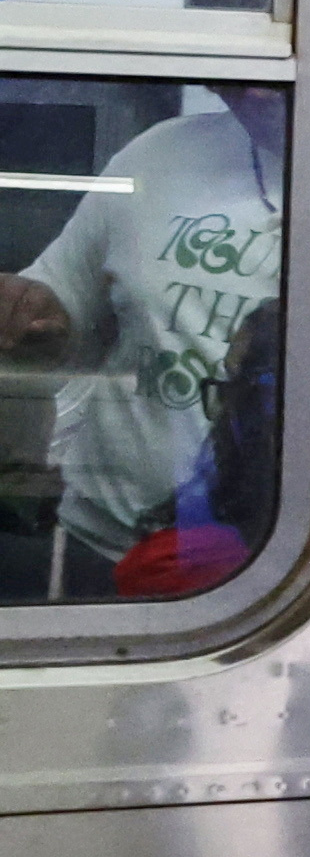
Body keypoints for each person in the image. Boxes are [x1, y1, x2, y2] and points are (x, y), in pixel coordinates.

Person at [0, 78, 283, 600]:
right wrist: (32, 312)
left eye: (272, 81)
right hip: (102, 536)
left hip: (278, 563)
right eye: (234, 85)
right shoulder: (162, 152)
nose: (256, 96)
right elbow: (69, 303)